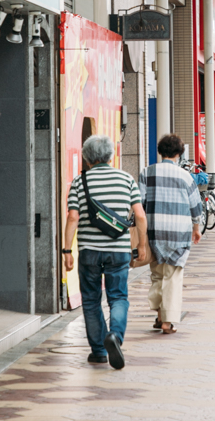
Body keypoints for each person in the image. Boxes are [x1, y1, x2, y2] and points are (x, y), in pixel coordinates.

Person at [64, 135, 148, 369]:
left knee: (91, 301)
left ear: (87, 158)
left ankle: (99, 351)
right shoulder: (126, 179)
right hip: (119, 250)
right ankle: (115, 337)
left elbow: (72, 217)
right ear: (111, 156)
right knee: (118, 297)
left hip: (89, 250)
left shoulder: (80, 182)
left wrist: (66, 250)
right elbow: (140, 216)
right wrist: (141, 245)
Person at [138, 134, 202, 334]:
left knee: (157, 274)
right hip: (178, 233)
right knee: (172, 275)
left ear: (160, 151)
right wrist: (196, 227)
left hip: (154, 232)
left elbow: (139, 203)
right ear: (179, 153)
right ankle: (167, 321)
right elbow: (196, 206)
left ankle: (159, 316)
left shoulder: (146, 173)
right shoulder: (185, 176)